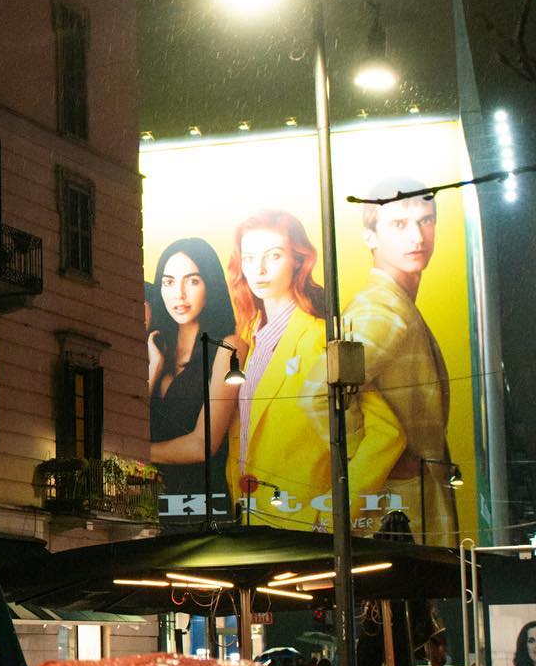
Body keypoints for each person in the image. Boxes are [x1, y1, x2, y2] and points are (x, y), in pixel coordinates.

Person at [226, 209, 400, 529]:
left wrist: (335, 512)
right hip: (255, 518)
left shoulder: (320, 337)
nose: (259, 269)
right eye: (249, 258)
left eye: (273, 255)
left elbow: (387, 433)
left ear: (298, 259)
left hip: (306, 522)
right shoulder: (253, 342)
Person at [334, 179, 457, 543]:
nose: (417, 237)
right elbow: (319, 395)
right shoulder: (381, 311)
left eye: (426, 220)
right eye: (399, 224)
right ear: (370, 236)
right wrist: (382, 457)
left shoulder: (396, 304)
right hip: (400, 508)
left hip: (410, 503)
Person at [148, 238, 240, 521]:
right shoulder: (154, 346)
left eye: (192, 281)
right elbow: (126, 420)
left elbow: (203, 444)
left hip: (203, 504)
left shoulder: (228, 346)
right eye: (168, 282)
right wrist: (153, 369)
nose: (179, 294)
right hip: (148, 506)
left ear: (210, 286)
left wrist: (137, 453)